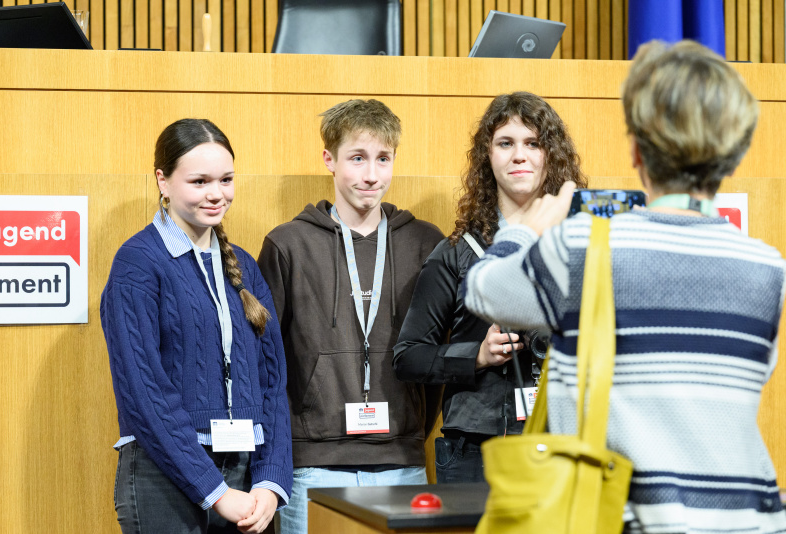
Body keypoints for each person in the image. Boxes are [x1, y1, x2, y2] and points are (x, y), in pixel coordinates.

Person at [464, 41, 786, 532]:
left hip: (626, 517)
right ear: (735, 153)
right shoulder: (768, 268)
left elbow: (484, 288)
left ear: (636, 149)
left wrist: (527, 228)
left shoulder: (583, 246)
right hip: (747, 520)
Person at [257, 99, 445, 534]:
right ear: (329, 159)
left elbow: (435, 359)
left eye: (383, 159)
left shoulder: (424, 242)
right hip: (313, 465)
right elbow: (268, 360)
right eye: (357, 158)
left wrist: (411, 426)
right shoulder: (288, 244)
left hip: (402, 462)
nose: (371, 174)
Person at [101, 118, 292, 534]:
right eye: (199, 181)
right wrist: (215, 491)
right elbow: (144, 392)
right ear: (163, 181)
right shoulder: (137, 264)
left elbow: (273, 383)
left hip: (248, 478)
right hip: (164, 474)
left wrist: (271, 479)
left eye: (226, 179)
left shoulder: (243, 266)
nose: (216, 193)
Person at [393, 91, 587, 483]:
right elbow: (408, 357)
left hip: (567, 442)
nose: (520, 155)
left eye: (533, 143)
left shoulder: (582, 244)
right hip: (476, 451)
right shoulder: (455, 253)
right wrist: (476, 356)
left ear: (551, 154)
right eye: (506, 143)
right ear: (488, 154)